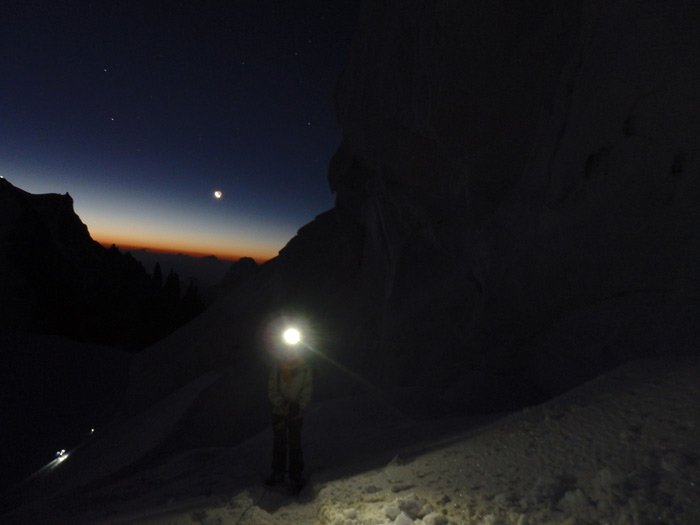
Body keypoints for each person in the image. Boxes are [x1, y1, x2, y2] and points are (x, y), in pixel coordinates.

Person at [266, 344, 312, 493]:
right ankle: (278, 472)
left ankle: (295, 474)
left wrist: (299, 406)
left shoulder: (305, 369)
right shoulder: (277, 367)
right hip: (279, 412)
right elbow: (272, 389)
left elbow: (307, 389)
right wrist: (283, 403)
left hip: (295, 414)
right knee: (280, 442)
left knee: (295, 443)